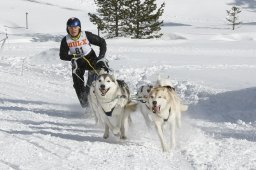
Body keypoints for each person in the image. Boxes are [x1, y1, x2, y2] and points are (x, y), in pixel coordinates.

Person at [59, 17, 108, 108]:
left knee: (101, 75)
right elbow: (62, 55)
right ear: (67, 28)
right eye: (70, 28)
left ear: (79, 28)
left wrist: (101, 57)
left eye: (75, 27)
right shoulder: (65, 40)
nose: (73, 30)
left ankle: (104, 99)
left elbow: (102, 42)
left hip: (90, 58)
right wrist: (73, 57)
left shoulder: (86, 35)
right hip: (78, 63)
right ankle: (85, 104)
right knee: (77, 84)